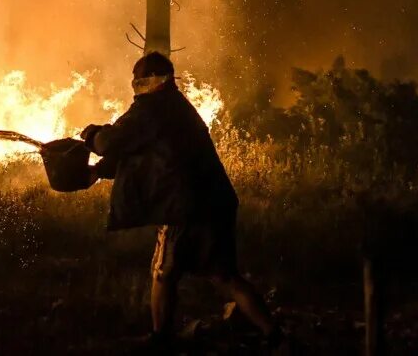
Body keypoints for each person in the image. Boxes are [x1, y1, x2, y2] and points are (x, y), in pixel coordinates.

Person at [81, 52, 283, 349]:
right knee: (225, 275)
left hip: (185, 208)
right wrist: (99, 172)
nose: (137, 87)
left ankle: (160, 339)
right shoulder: (176, 107)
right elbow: (146, 152)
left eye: (139, 81)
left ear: (146, 82)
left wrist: (92, 135)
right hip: (214, 203)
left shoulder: (153, 108)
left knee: (163, 272)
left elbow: (113, 142)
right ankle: (276, 337)